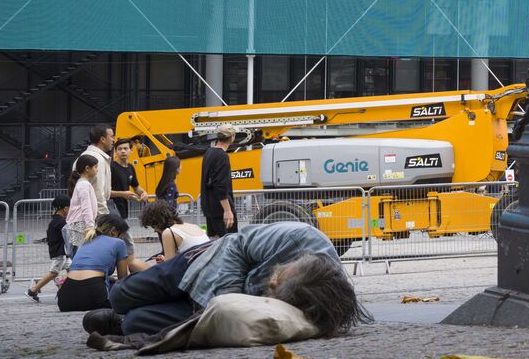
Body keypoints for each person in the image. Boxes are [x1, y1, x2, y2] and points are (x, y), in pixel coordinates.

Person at [91, 221, 371, 337]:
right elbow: (237, 244)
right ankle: (120, 308)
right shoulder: (300, 237)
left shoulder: (320, 302)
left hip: (208, 306)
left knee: (134, 323)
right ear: (303, 264)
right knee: (119, 296)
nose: (273, 284)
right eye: (281, 279)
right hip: (200, 263)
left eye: (279, 291)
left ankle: (120, 321)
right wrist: (229, 296)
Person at [57, 213, 130, 312]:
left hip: (65, 299)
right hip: (94, 295)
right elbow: (123, 280)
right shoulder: (119, 243)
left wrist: (108, 278)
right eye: (121, 235)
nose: (121, 238)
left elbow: (85, 269)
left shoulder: (86, 241)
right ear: (113, 231)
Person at [26, 194, 71, 302]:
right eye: (70, 208)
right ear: (65, 208)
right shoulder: (62, 222)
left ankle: (64, 287)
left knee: (73, 269)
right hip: (60, 253)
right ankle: (33, 290)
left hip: (59, 252)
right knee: (54, 272)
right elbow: (67, 237)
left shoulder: (54, 221)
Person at [139, 201, 209, 260]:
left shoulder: (168, 232)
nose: (155, 230)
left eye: (153, 226)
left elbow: (169, 266)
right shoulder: (194, 226)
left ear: (157, 223)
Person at [201, 128, 237, 238]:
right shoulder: (222, 156)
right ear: (232, 138)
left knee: (215, 242)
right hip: (220, 209)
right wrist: (227, 210)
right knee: (230, 242)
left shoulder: (209, 152)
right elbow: (220, 185)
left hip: (210, 208)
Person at [66, 154, 101, 255]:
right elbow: (86, 207)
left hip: (80, 223)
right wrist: (90, 226)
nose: (97, 170)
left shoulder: (82, 183)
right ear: (87, 168)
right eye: (95, 167)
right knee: (82, 253)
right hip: (81, 224)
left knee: (81, 253)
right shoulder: (84, 185)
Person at [78, 124, 115, 217]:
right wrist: (104, 217)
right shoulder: (98, 160)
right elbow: (98, 192)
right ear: (103, 139)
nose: (113, 140)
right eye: (111, 136)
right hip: (94, 213)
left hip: (85, 211)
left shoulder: (84, 155)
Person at [109, 138, 148, 219]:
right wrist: (123, 194)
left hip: (124, 208)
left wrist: (143, 192)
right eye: (119, 149)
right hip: (111, 209)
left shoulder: (131, 167)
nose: (123, 151)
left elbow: (136, 187)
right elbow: (104, 192)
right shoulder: (111, 167)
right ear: (116, 152)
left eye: (125, 148)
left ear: (131, 151)